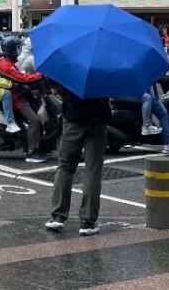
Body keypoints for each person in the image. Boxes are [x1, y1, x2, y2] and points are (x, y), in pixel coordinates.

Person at [46, 86, 110, 236]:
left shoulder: (68, 62)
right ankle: (88, 221)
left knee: (65, 166)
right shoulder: (107, 64)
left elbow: (54, 89)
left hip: (73, 116)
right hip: (97, 117)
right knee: (93, 170)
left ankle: (58, 216)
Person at [0, 36, 47, 163]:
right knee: (34, 120)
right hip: (16, 98)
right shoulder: (6, 65)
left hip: (20, 93)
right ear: (12, 49)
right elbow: (20, 78)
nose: (20, 50)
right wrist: (40, 75)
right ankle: (31, 153)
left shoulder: (9, 63)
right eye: (18, 48)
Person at [141, 80, 169, 155]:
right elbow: (155, 78)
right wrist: (167, 77)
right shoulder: (144, 69)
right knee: (164, 115)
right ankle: (168, 144)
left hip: (127, 95)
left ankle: (149, 124)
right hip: (142, 94)